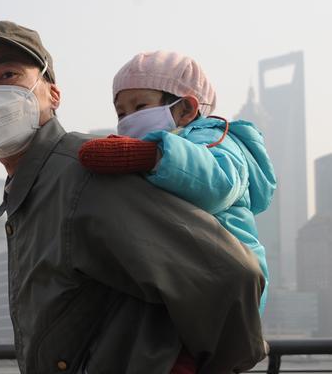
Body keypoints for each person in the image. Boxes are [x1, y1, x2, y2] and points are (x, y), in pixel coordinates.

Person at [0, 21, 267, 374]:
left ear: (52, 94)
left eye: (7, 75)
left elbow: (233, 275)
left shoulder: (86, 171)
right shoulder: (30, 189)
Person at [78, 51, 276, 315]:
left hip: (224, 284)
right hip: (185, 281)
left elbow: (219, 185)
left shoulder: (216, 139)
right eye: (121, 113)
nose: (127, 121)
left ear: (186, 110)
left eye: (139, 107)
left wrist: (155, 155)